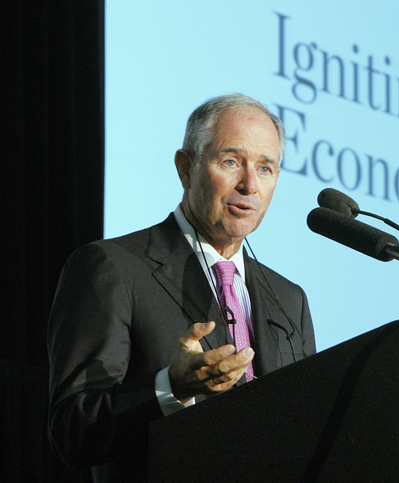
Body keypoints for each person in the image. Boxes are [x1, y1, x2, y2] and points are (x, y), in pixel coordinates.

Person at [47, 94, 316, 483]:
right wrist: (170, 387)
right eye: (231, 162)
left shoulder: (290, 300)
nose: (249, 184)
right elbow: (73, 430)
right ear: (186, 168)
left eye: (266, 168)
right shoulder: (112, 268)